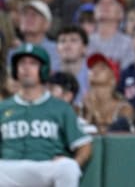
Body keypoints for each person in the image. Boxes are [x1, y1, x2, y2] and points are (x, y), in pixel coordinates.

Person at [0, 44, 92, 187]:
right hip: (10, 169)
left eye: (33, 63)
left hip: (45, 168)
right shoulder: (3, 107)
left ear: (43, 70)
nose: (26, 68)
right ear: (15, 69)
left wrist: (75, 162)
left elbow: (84, 145)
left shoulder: (60, 107)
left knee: (68, 166)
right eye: (22, 63)